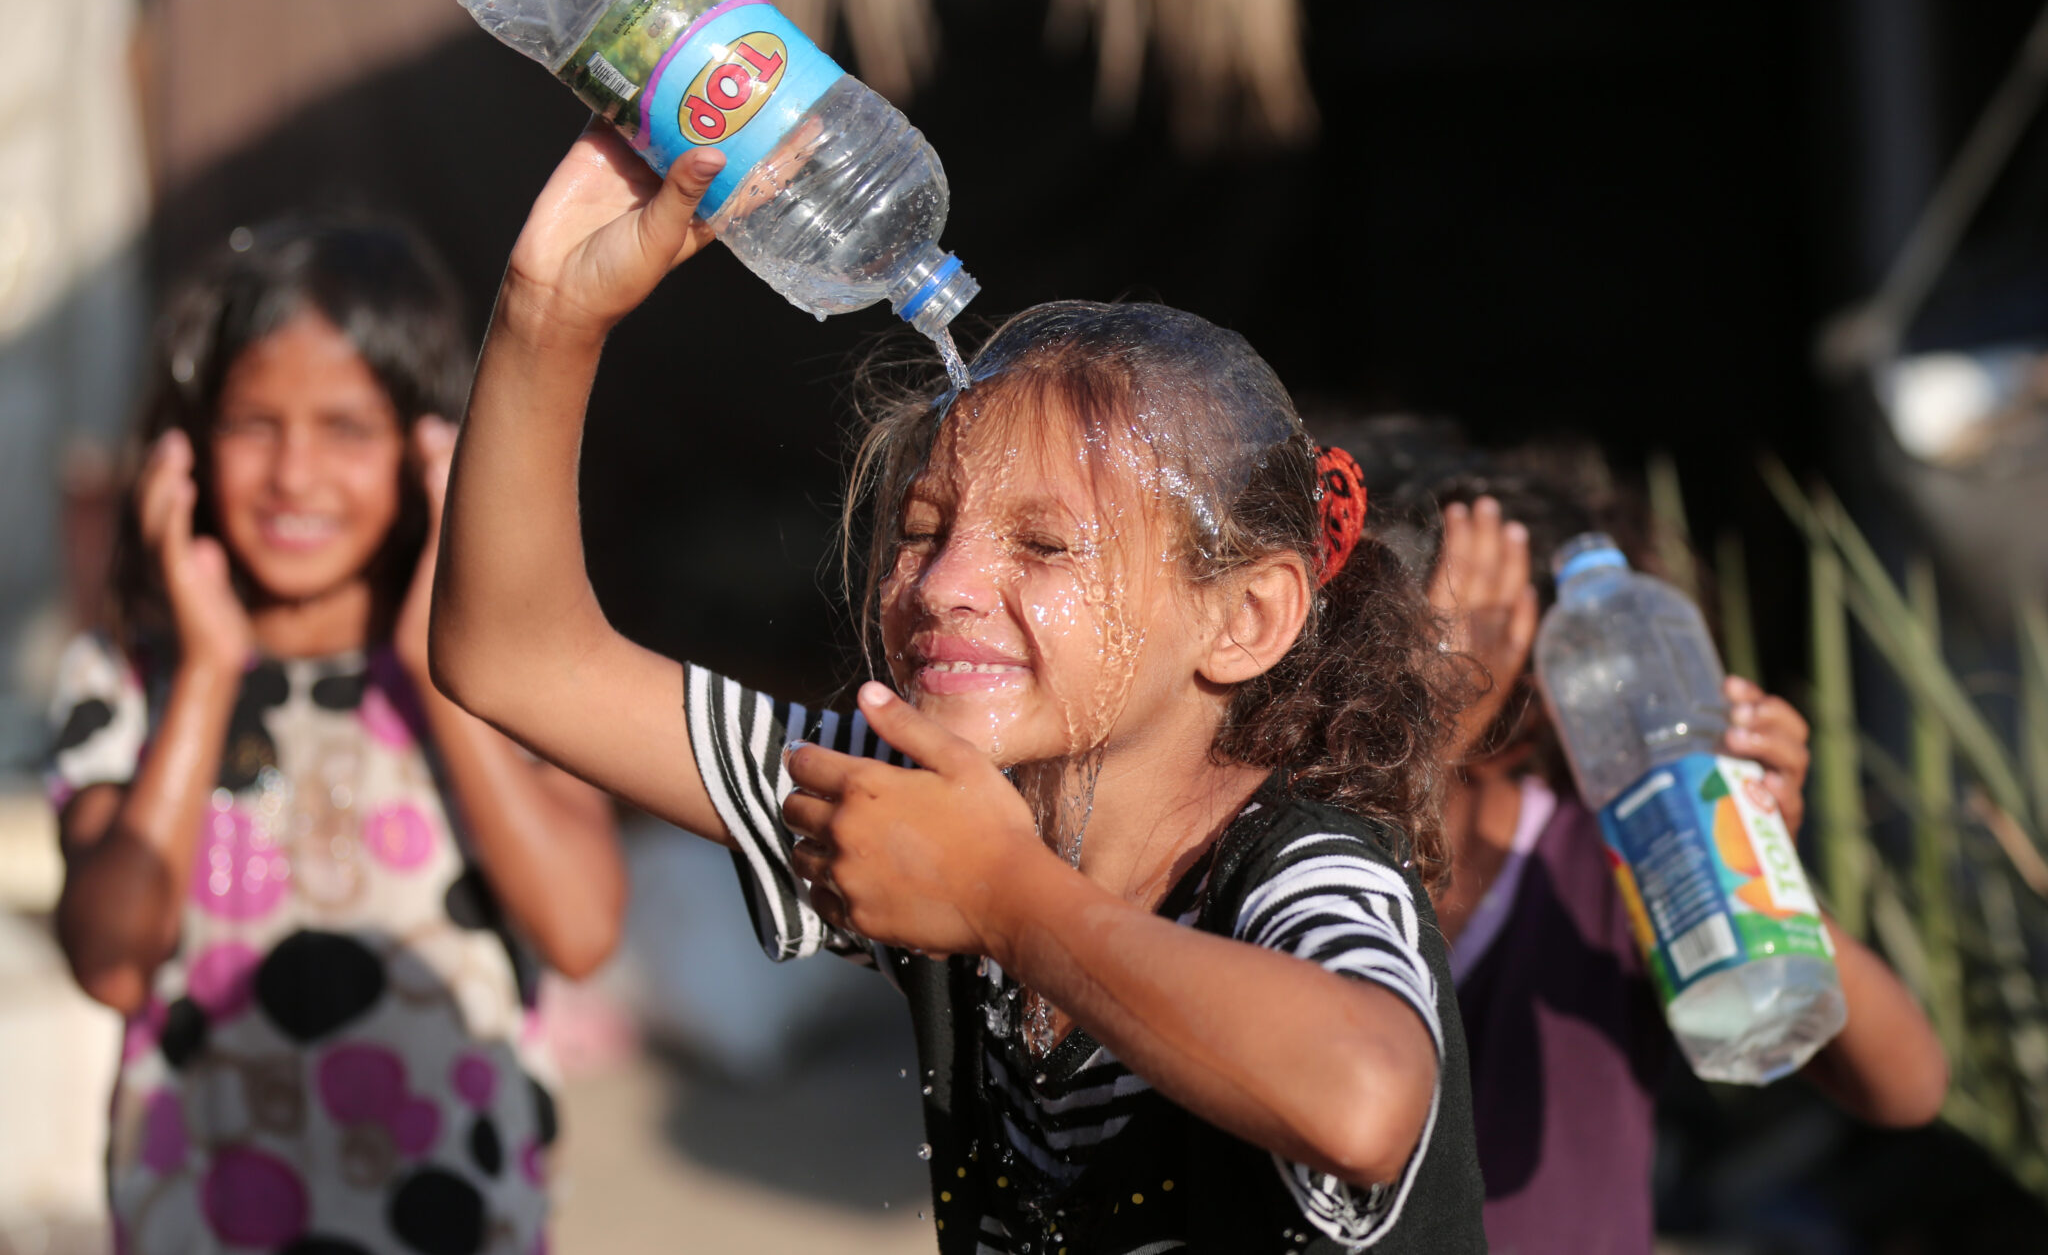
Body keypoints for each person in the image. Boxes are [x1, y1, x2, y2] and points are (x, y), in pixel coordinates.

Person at [428, 127, 1488, 1253]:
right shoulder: (932, 807)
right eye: (924, 528)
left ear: (1243, 621)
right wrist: (550, 318)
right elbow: (514, 659)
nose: (942, 585)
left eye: (1041, 546)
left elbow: (1367, 1101)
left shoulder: (1295, 870)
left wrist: (1001, 900)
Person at [48, 220, 626, 1255]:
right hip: (200, 1221)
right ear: (182, 449)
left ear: (430, 451)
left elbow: (580, 929)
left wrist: (445, 673)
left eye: (347, 429)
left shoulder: (511, 677)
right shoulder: (130, 680)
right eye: (252, 424)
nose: (294, 475)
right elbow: (111, 961)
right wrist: (206, 677)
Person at [1352, 428, 1949, 1255]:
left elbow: (1905, 1088)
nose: (1386, 685)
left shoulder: (1611, 856)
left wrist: (1754, 864)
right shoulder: (1323, 845)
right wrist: (1434, 751)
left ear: (1546, 694)